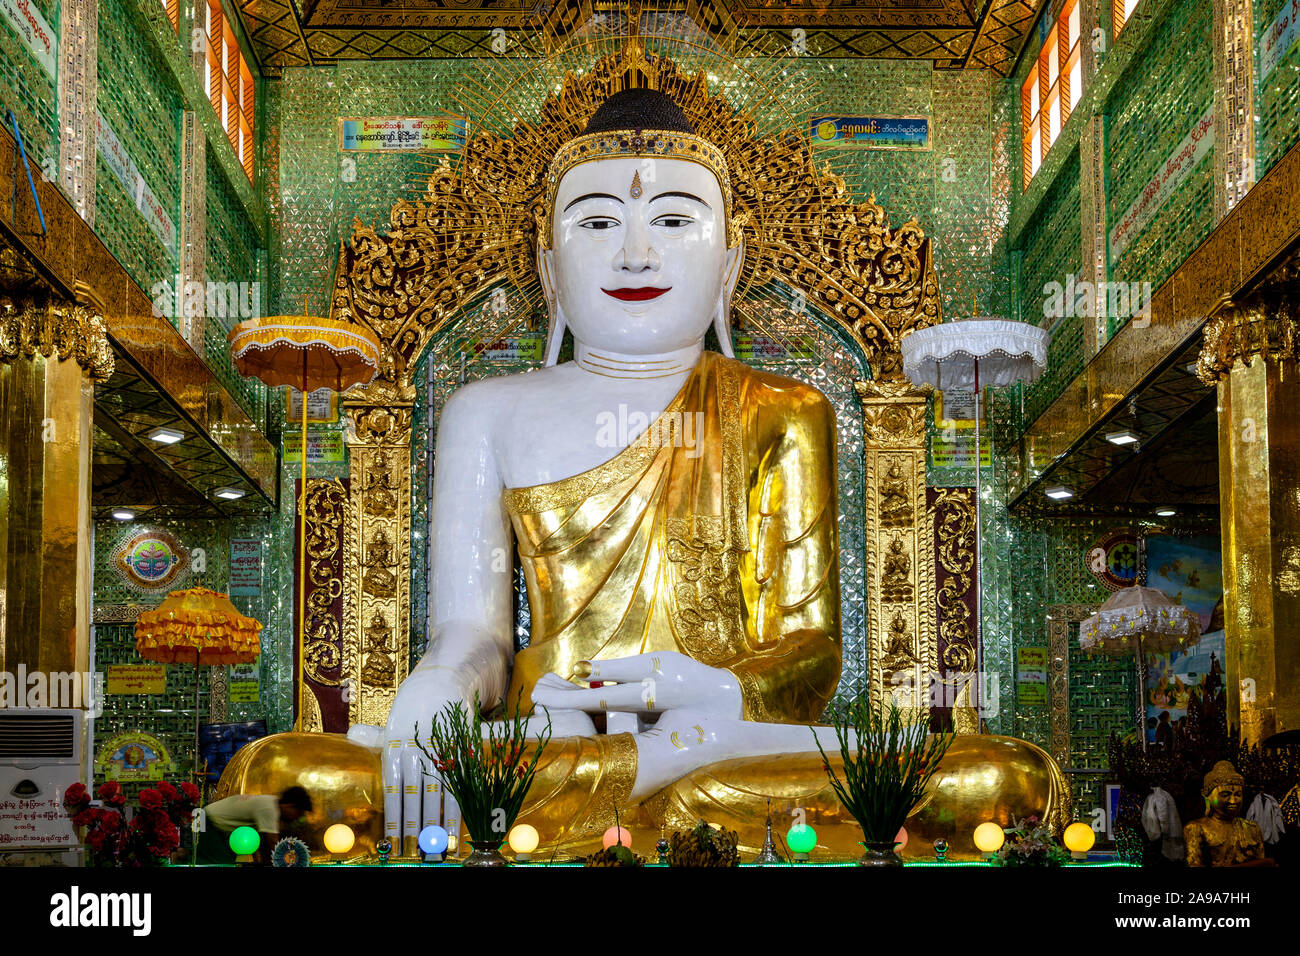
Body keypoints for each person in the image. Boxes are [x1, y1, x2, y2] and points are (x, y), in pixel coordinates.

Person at [196, 786, 313, 865]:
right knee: (219, 863)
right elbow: (273, 844)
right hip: (207, 820)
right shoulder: (269, 809)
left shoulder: (271, 803)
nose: (297, 818)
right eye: (298, 813)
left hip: (210, 820)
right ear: (289, 806)